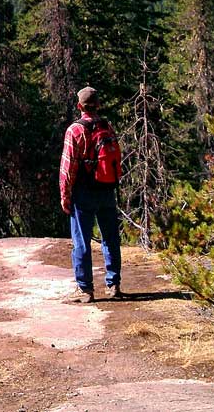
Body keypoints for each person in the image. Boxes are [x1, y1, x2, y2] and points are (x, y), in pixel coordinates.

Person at [59, 86, 122, 303]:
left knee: (82, 242)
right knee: (110, 238)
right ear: (98, 105)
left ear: (79, 106)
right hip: (106, 189)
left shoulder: (75, 130)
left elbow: (68, 169)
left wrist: (65, 196)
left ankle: (85, 289)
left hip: (83, 192)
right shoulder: (107, 126)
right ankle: (114, 284)